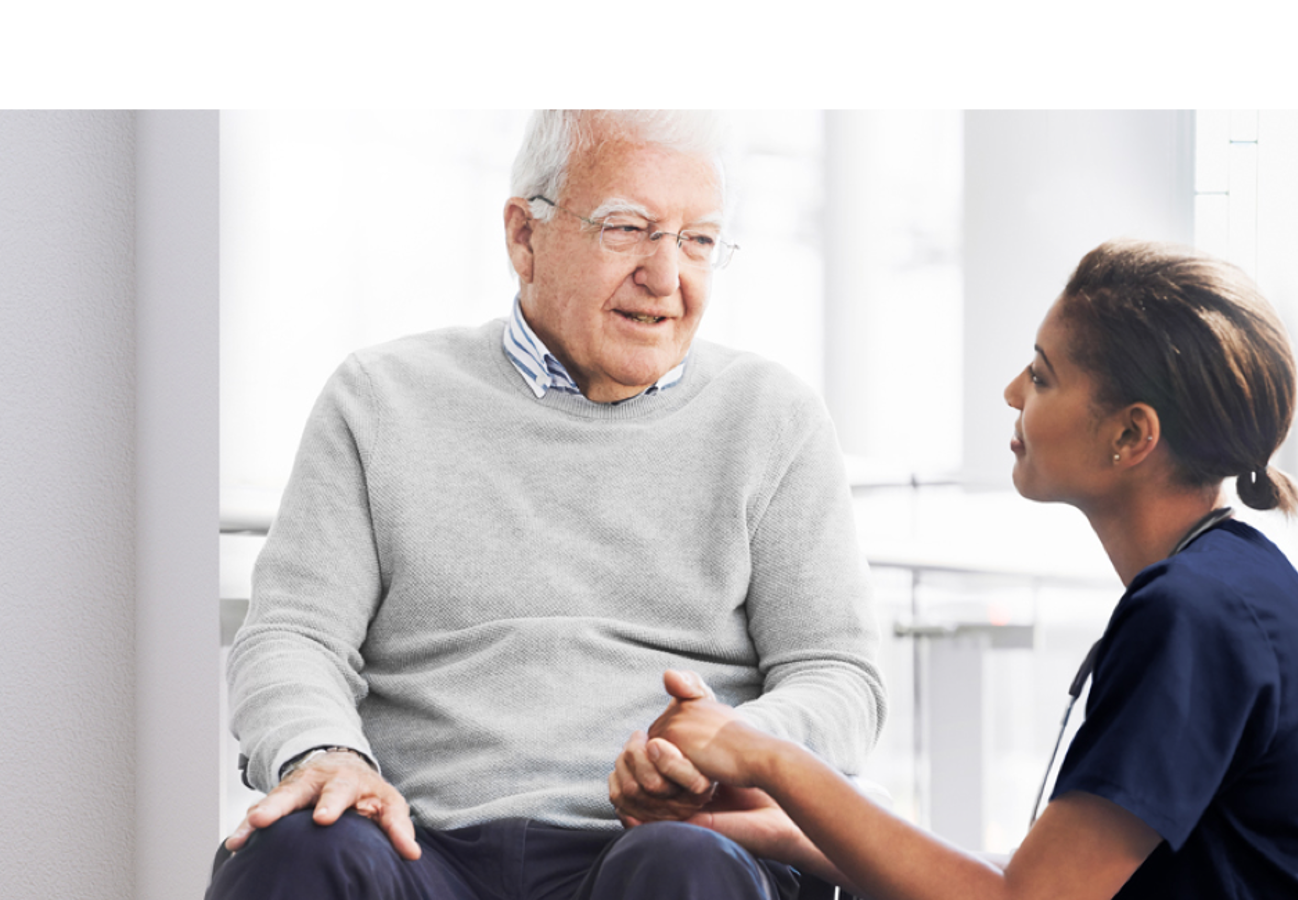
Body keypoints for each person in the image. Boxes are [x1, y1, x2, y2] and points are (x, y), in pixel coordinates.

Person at [209, 108, 886, 900]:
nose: (667, 278)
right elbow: (293, 634)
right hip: (417, 847)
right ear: (523, 238)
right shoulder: (381, 398)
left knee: (686, 869)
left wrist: (731, 748)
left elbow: (837, 675)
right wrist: (324, 751)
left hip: (656, 845)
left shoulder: (772, 418)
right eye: (629, 228)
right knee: (299, 846)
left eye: (698, 239)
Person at [648, 239, 1298, 899]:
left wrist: (763, 752)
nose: (1012, 391)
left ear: (1132, 436)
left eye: (1043, 376)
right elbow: (1033, 880)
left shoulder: (1196, 613)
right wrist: (781, 827)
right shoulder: (1235, 585)